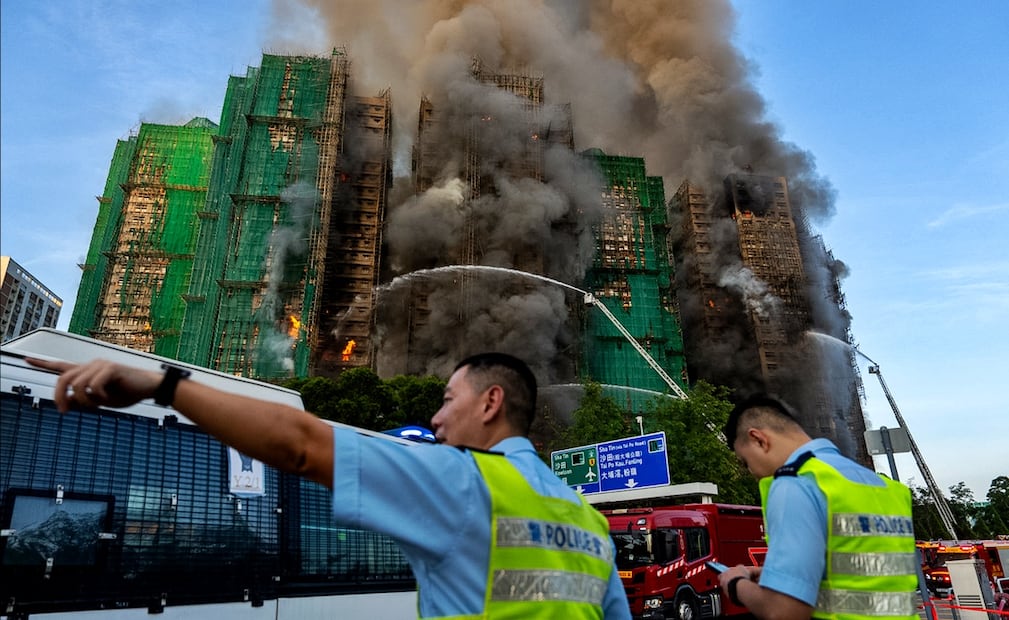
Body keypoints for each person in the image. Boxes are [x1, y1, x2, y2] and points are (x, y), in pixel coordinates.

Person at [28, 352, 630, 619]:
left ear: (492, 403)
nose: (437, 419)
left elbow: (301, 443)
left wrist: (163, 387)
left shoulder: (463, 479)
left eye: (448, 400)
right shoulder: (589, 520)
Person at [716, 394, 918, 620]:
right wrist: (779, 577)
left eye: (745, 462)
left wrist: (735, 583)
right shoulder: (886, 487)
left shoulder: (796, 483)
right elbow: (864, 573)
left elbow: (784, 611)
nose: (751, 472)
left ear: (759, 440)